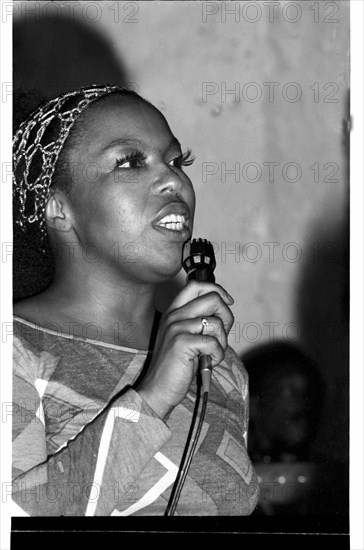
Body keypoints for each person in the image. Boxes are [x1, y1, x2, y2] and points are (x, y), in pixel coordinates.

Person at [12, 85, 259, 516]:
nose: (173, 179)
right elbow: (13, 521)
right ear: (58, 208)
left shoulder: (219, 367)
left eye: (177, 161)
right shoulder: (14, 348)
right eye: (129, 162)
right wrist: (154, 395)